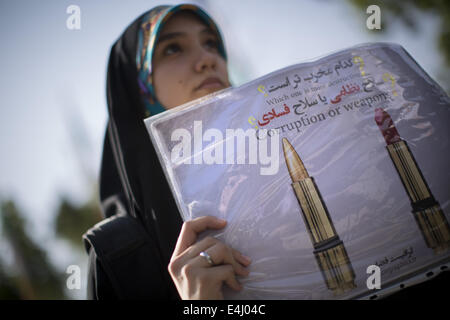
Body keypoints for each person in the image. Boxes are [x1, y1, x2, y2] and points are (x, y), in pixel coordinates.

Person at [83, 4, 251, 300]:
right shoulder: (119, 257)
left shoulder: (293, 180)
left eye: (210, 43)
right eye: (173, 49)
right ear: (138, 87)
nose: (207, 60)